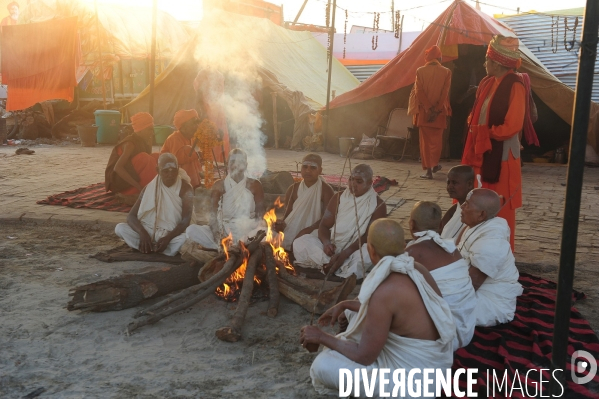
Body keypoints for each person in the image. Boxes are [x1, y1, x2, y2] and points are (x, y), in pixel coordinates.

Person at [301, 219, 456, 396]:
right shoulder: (418, 269)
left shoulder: (384, 292)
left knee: (323, 365)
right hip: (435, 371)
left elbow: (364, 357)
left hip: (411, 386)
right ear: (403, 245)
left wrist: (320, 336)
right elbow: (400, 311)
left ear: (371, 250)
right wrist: (344, 304)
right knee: (352, 315)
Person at [461, 35, 527, 251]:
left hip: (502, 156)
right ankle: (478, 246)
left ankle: (501, 252)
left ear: (497, 63)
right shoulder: (487, 82)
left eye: (487, 60)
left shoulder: (515, 85)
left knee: (501, 204)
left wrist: (485, 134)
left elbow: (512, 125)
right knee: (479, 201)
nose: (484, 64)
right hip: (481, 152)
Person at [293, 164, 386, 280]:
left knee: (369, 253)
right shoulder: (339, 197)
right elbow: (324, 225)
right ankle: (333, 265)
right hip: (332, 247)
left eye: (359, 181)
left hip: (355, 250)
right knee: (301, 242)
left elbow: (369, 237)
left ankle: (333, 266)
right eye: (351, 179)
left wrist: (345, 254)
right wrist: (327, 244)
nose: (353, 184)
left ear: (369, 183)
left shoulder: (378, 204)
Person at [405, 201, 477, 349]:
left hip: (442, 337)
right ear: (439, 226)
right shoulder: (452, 249)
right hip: (466, 330)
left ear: (411, 224)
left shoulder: (412, 253)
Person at [458, 188, 523, 327]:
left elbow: (472, 285)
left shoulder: (492, 240)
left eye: (467, 204)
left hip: (490, 302)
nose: (462, 206)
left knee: (431, 309)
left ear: (481, 215)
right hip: (469, 287)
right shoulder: (475, 225)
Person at [115, 153, 194, 256]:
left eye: (174, 171)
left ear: (178, 169)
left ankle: (147, 247)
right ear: (157, 170)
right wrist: (142, 233)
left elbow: (185, 221)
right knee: (120, 228)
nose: (170, 175)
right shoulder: (149, 188)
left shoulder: (185, 188)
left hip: (172, 234)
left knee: (188, 238)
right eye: (165, 171)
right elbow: (131, 216)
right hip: (149, 231)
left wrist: (168, 238)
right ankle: (152, 245)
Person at [186, 148, 265, 250]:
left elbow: (260, 214)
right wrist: (218, 237)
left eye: (240, 162)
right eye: (232, 162)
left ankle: (227, 248)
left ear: (246, 165)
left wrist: (255, 230)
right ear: (227, 164)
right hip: (223, 229)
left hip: (247, 231)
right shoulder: (219, 185)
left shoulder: (255, 185)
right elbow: (213, 215)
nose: (236, 165)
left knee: (268, 234)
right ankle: (228, 247)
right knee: (191, 230)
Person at [273, 153, 334, 251]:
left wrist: (308, 229)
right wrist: (281, 223)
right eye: (305, 167)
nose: (308, 170)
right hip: (293, 227)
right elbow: (287, 215)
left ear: (320, 170)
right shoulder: (293, 189)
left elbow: (327, 219)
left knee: (307, 244)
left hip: (315, 230)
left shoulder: (326, 190)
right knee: (267, 234)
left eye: (313, 168)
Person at [408, 45, 452, 179]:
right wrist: (437, 109)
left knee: (425, 143)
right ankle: (435, 165)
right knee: (437, 141)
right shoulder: (446, 71)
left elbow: (419, 91)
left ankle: (428, 171)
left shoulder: (420, 71)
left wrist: (428, 109)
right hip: (439, 114)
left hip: (424, 113)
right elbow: (445, 93)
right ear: (439, 57)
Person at [105, 112, 157, 196]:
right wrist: (138, 186)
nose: (152, 133)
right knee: (145, 157)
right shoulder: (130, 144)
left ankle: (153, 186)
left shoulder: (145, 139)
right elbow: (118, 168)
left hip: (131, 172)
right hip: (117, 180)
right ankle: (144, 188)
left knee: (158, 157)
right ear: (140, 130)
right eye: (149, 129)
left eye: (152, 129)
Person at [160, 109, 203, 188]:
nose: (196, 126)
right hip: (170, 171)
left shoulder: (190, 137)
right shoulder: (175, 138)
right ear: (184, 127)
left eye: (197, 123)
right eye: (193, 123)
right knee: (189, 151)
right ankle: (189, 184)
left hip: (183, 172)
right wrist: (198, 154)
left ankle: (196, 182)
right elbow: (179, 159)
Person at [440, 165, 475, 242]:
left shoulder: (474, 212)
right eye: (448, 182)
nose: (450, 186)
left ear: (469, 184)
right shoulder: (455, 208)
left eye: (454, 183)